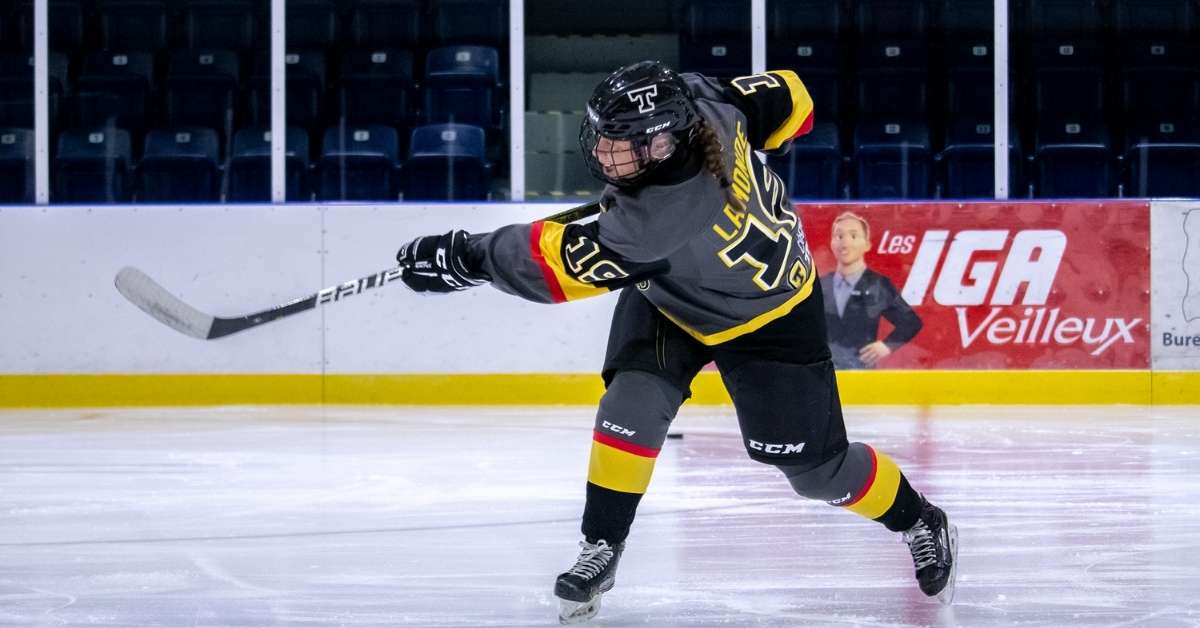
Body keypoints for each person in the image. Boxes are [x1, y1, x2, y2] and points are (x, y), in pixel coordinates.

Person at [395, 61, 957, 624]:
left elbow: (543, 264)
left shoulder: (653, 226)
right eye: (605, 136)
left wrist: (460, 257)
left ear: (663, 145)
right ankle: (602, 546)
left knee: (817, 472)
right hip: (670, 294)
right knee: (629, 406)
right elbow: (795, 96)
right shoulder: (698, 100)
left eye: (621, 144)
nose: (605, 152)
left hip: (770, 318)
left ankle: (919, 520)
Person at [820, 212, 923, 369]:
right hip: (825, 374)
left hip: (861, 373)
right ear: (832, 243)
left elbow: (911, 322)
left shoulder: (878, 285)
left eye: (853, 236)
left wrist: (887, 345)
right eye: (839, 236)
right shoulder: (821, 284)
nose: (845, 243)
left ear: (867, 244)